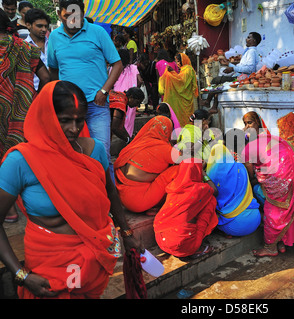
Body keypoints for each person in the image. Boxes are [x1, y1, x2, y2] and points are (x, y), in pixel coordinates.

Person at [0, 80, 141, 298]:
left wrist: (127, 232)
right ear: (46, 116)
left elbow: (110, 191)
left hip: (93, 261)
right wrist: (21, 275)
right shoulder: (21, 161)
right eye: (65, 121)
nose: (74, 129)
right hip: (48, 264)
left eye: (79, 120)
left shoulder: (94, 151)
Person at [47, 0, 123, 181]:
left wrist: (104, 91)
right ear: (59, 15)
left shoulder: (97, 32)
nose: (72, 21)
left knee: (101, 153)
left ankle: (109, 203)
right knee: (70, 154)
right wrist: (58, 97)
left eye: (77, 17)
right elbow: (53, 70)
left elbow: (117, 64)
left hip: (96, 105)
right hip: (69, 108)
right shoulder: (55, 37)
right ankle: (79, 198)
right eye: (67, 17)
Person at [1, 8, 50, 223]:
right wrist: (33, 99)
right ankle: (31, 204)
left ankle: (9, 208)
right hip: (22, 113)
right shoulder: (23, 48)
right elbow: (46, 77)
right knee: (20, 156)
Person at [241, 111, 294, 257]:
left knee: (273, 208)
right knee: (288, 206)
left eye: (249, 123)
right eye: (245, 124)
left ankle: (270, 247)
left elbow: (249, 174)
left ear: (258, 123)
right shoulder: (269, 138)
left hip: (284, 170)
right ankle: (281, 242)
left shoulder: (248, 148)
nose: (246, 127)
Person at [153, 148, 218, 259]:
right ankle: (197, 247)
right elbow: (215, 191)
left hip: (161, 240)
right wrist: (203, 174)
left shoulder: (173, 186)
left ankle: (176, 243)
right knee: (211, 201)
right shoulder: (200, 189)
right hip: (184, 246)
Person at [113, 116, 181, 213]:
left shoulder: (137, 144)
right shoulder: (163, 148)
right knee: (179, 169)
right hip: (140, 201)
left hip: (123, 199)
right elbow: (186, 160)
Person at [205, 128, 261, 237]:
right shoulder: (242, 167)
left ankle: (225, 231)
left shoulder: (215, 170)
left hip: (236, 226)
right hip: (256, 218)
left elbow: (213, 193)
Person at [201, 32, 262, 114]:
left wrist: (233, 68)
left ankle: (208, 101)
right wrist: (228, 64)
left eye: (248, 37)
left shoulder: (251, 52)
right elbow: (242, 65)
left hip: (243, 78)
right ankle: (214, 106)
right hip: (239, 75)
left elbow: (250, 69)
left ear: (254, 41)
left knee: (216, 80)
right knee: (219, 84)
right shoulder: (248, 51)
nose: (246, 39)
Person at [159, 52, 198, 128]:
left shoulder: (188, 70)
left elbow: (181, 81)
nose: (177, 63)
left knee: (186, 120)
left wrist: (172, 72)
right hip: (184, 100)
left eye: (178, 61)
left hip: (186, 100)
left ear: (182, 61)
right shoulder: (184, 70)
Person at [112, 48, 143, 138]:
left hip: (117, 97)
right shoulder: (133, 68)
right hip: (131, 97)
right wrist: (135, 91)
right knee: (128, 119)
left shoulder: (114, 68)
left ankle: (117, 138)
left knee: (117, 119)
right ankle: (127, 138)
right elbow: (140, 81)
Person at [109, 87, 144, 156]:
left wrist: (129, 138)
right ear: (131, 97)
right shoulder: (121, 103)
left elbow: (120, 126)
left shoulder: (121, 96)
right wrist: (128, 140)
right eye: (137, 102)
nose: (136, 105)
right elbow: (115, 128)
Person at [25, 8, 50, 91]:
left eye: (46, 26)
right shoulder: (24, 47)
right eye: (39, 26)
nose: (44, 29)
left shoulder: (52, 43)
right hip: (33, 92)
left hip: (53, 90)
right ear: (28, 25)